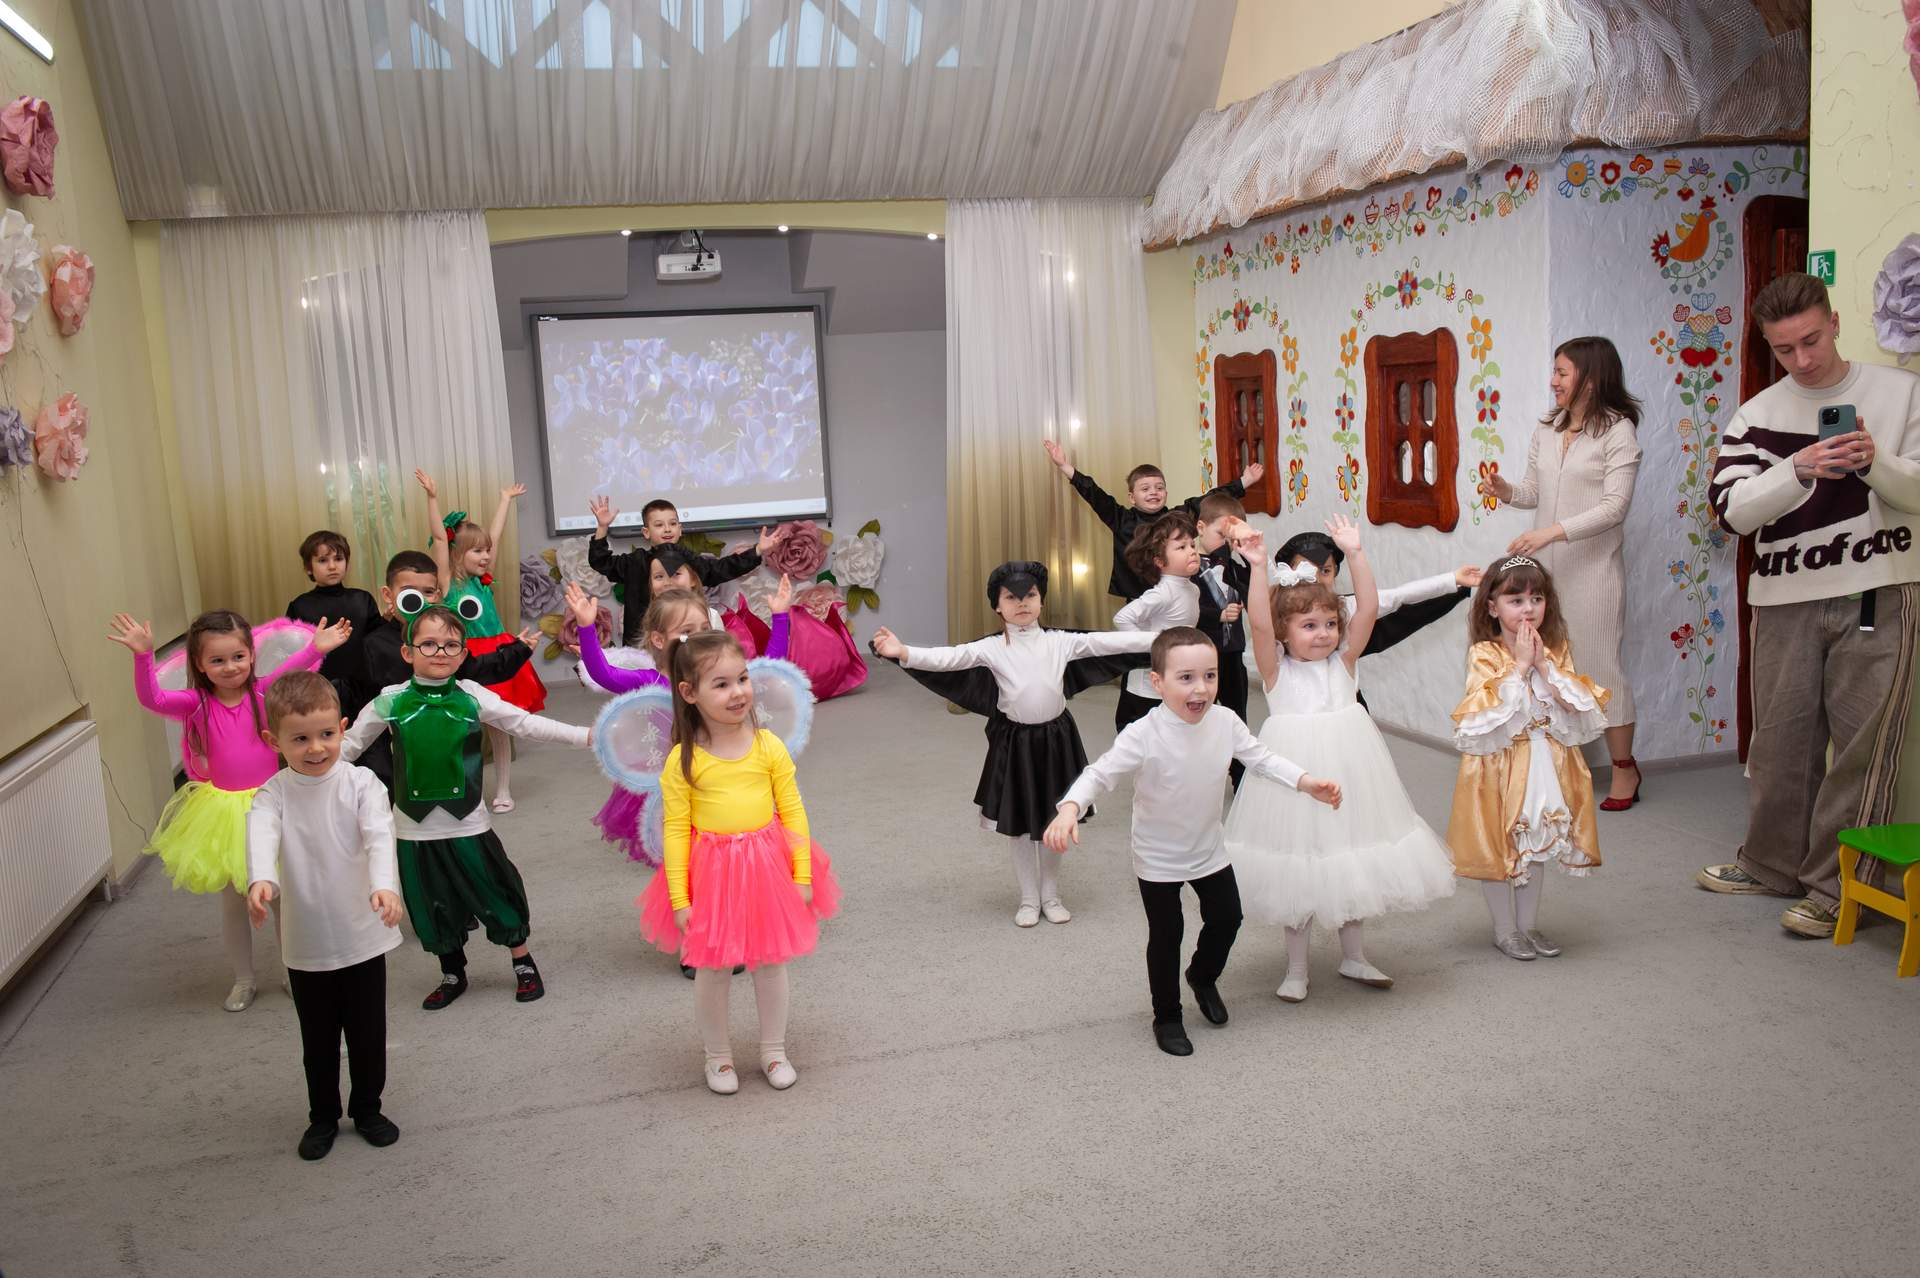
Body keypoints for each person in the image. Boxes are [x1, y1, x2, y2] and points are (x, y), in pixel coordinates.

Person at [1698, 272, 1920, 938]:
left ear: (1835, 322)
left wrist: (1874, 462)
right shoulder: (1756, 413)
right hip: (1784, 599)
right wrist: (1795, 470)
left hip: (1879, 592)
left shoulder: (1902, 392)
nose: (1802, 359)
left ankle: (1836, 886)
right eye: (1784, 349)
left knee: (1862, 750)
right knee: (1779, 744)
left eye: (1812, 340)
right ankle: (1771, 866)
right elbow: (1730, 513)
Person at [1045, 627, 1337, 1056]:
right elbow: (1100, 773)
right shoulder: (1143, 732)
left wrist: (1306, 782)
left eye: (1210, 675)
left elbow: (1262, 758)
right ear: (1157, 682)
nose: (1201, 688)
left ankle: (1202, 977)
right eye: (1186, 678)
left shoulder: (1225, 721)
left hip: (1208, 847)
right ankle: (1166, 1016)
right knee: (1168, 935)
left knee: (1228, 918)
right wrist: (1070, 807)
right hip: (1157, 855)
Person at [1224, 520, 1456, 1001]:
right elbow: (1259, 623)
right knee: (1299, 864)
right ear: (1285, 633)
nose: (1324, 634)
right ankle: (1296, 968)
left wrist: (1357, 554)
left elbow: (1367, 608)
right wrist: (1259, 566)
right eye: (1309, 626)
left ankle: (1355, 956)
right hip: (1296, 773)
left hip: (1351, 767)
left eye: (1330, 624)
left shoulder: (1345, 662)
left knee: (1353, 854)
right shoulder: (1275, 670)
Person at [871, 561, 1155, 926]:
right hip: (1016, 745)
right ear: (997, 606)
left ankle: (1050, 894)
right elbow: (948, 658)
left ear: (1041, 601)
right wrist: (904, 651)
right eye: (1011, 597)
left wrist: (1161, 639)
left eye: (1030, 595)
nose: (1022, 603)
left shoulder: (1061, 641)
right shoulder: (991, 648)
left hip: (1055, 742)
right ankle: (1028, 898)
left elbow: (1109, 642)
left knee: (1054, 819)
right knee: (1020, 825)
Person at [341, 604, 592, 1009]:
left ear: (462, 655)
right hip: (413, 827)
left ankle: (522, 960)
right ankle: (452, 971)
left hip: (467, 823)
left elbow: (525, 724)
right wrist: (304, 765)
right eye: (428, 644)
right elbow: (350, 746)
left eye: (451, 645)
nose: (440, 652)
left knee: (495, 888)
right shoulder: (390, 702)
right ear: (408, 652)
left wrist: (584, 735)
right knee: (431, 901)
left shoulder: (473, 696)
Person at [635, 630, 842, 1094]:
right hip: (712, 875)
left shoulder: (769, 746)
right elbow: (675, 830)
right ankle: (718, 1057)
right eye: (722, 684)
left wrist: (802, 873)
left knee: (770, 962)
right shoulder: (683, 759)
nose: (738, 692)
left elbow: (792, 811)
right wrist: (680, 898)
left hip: (767, 867)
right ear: (689, 693)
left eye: (743, 679)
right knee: (714, 968)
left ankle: (774, 1050)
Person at [111, 608, 348, 1011]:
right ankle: (243, 979)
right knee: (235, 901)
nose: (230, 667)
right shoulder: (195, 703)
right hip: (224, 815)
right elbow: (153, 698)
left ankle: (293, 970)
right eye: (217, 660)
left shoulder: (264, 693)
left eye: (238, 656)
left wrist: (317, 648)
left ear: (252, 655)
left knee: (282, 897)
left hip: (273, 804)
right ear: (200, 664)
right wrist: (142, 656)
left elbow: (293, 669)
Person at [1476, 336, 1644, 809]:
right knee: (1546, 668)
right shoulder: (1547, 429)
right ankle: (1559, 767)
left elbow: (1614, 507)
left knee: (1600, 669)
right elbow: (1534, 490)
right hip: (1544, 578)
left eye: (1562, 372)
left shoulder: (1618, 432)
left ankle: (1625, 769)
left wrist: (1550, 533)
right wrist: (1506, 490)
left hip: (1594, 574)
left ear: (1591, 377)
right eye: (1554, 371)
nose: (1554, 381)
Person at [244, 672, 403, 1161]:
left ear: (343, 728)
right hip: (307, 938)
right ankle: (322, 1116)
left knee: (367, 1032)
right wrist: (260, 878)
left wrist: (383, 885)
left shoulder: (361, 783)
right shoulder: (273, 794)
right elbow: (261, 831)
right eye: (300, 739)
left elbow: (379, 835)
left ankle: (368, 1108)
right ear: (273, 741)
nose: (316, 748)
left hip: (361, 932)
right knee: (317, 1038)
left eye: (327, 734)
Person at [1448, 555, 1608, 960]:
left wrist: (1543, 666)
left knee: (1535, 845)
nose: (1528, 609)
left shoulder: (1555, 650)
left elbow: (1575, 706)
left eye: (1537, 598)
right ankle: (1505, 930)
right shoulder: (1485, 653)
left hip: (1544, 762)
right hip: (1499, 766)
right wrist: (1520, 666)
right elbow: (1484, 712)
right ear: (1492, 607)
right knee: (1498, 846)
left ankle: (1528, 925)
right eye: (1515, 600)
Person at [573, 578, 794, 864]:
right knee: (681, 840)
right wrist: (586, 628)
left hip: (716, 763)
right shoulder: (651, 680)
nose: (700, 637)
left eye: (704, 628)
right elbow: (604, 674)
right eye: (687, 632)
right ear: (659, 639)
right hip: (675, 769)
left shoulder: (717, 673)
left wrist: (780, 617)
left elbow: (767, 671)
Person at [417, 469, 549, 813]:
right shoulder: (448, 582)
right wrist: (432, 498)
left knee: (498, 727)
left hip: (497, 655)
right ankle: (461, 789)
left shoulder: (483, 581)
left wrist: (505, 501)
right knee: (462, 729)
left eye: (487, 551)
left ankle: (503, 789)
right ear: (457, 553)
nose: (486, 556)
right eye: (477, 551)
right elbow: (440, 538)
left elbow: (496, 534)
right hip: (466, 661)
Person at [356, 549, 538, 796]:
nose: (420, 600)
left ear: (438, 594)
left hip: (447, 746)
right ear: (389, 595)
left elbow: (476, 669)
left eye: (428, 592)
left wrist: (517, 650)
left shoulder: (444, 637)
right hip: (401, 755)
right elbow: (368, 714)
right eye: (410, 592)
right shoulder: (374, 645)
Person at [1042, 438, 1259, 601]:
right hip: (1138, 597)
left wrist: (1243, 482)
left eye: (1159, 488)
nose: (1153, 492)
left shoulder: (1177, 517)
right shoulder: (1121, 519)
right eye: (1145, 489)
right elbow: (1094, 494)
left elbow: (1210, 498)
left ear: (1166, 492)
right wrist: (1064, 466)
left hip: (1175, 594)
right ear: (1132, 497)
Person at [585, 495, 787, 647]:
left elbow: (719, 569)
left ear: (680, 529)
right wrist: (602, 527)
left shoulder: (688, 559)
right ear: (646, 532)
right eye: (659, 525)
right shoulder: (635, 562)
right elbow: (601, 561)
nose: (667, 529)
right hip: (643, 648)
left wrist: (758, 550)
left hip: (685, 645)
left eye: (672, 524)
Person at [1271, 530, 1481, 661]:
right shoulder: (1274, 612)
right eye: (1307, 571)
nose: (1316, 578)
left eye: (1325, 571)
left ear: (1335, 573)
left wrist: (1452, 579)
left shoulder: (1347, 606)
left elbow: (1400, 596)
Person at [1111, 512, 1203, 731]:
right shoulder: (1163, 593)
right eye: (1181, 547)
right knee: (1145, 737)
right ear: (1160, 561)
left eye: (1192, 545)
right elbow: (1122, 618)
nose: (1192, 551)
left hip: (1175, 677)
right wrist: (1153, 646)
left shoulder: (1193, 589)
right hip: (1146, 690)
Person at [286, 529, 381, 722]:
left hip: (364, 691)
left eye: (338, 559)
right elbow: (292, 656)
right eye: (323, 560)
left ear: (347, 562)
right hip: (317, 693)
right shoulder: (300, 606)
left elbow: (379, 643)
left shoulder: (362, 599)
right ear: (309, 568)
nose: (332, 566)